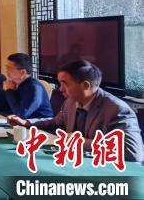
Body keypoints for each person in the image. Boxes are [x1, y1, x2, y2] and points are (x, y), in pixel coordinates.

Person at [8, 60, 144, 163]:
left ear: (85, 85)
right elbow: (56, 123)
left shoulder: (117, 109)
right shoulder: (70, 102)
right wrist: (27, 123)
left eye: (65, 84)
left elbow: (132, 152)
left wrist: (80, 141)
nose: (60, 89)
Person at [1, 53, 53, 119]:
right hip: (23, 122)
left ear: (22, 72)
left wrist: (9, 91)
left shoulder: (34, 87)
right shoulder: (16, 84)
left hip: (40, 123)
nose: (6, 71)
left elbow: (21, 114)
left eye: (9, 69)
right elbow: (1, 106)